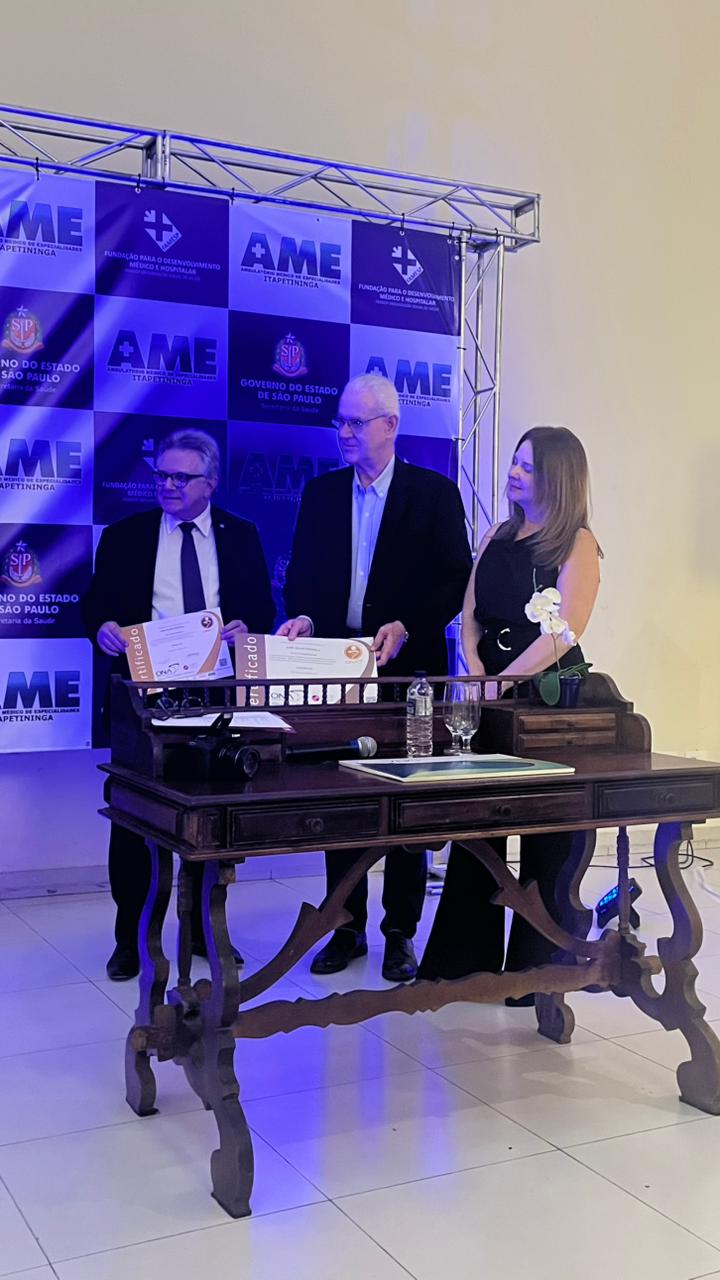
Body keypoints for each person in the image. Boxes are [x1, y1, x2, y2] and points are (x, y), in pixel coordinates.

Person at [279, 373, 471, 981]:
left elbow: (454, 580)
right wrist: (305, 616)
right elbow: (300, 577)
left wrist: (408, 623)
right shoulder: (321, 494)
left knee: (406, 800)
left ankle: (399, 933)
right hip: (338, 672)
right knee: (342, 800)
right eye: (340, 421)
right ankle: (345, 925)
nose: (344, 432)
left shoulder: (434, 494)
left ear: (390, 426)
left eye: (355, 423)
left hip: (409, 674)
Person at [82, 428, 275, 981]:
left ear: (209, 483)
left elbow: (262, 609)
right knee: (133, 819)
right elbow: (92, 608)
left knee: (209, 820)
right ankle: (131, 939)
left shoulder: (241, 535)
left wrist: (245, 627)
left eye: (181, 477)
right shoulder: (125, 536)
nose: (167, 485)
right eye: (161, 475)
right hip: (142, 697)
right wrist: (104, 628)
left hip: (214, 696)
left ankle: (203, 935)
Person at [418, 425, 601, 992]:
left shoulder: (578, 543)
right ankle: (463, 964)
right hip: (489, 693)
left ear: (558, 478)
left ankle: (535, 973)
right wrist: (475, 667)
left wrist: (504, 681)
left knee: (547, 835)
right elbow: (471, 614)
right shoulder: (497, 534)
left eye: (528, 466)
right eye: (515, 462)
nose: (513, 472)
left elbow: (565, 632)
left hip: (548, 698)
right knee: (479, 822)